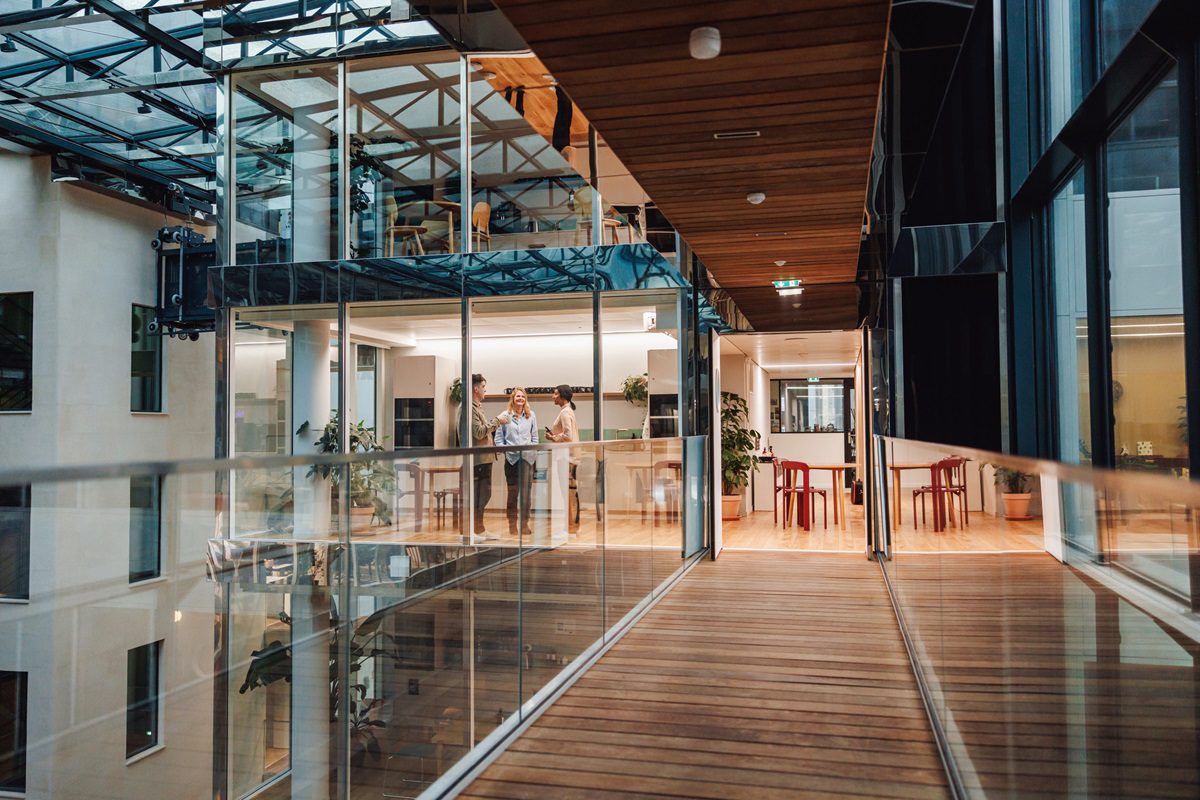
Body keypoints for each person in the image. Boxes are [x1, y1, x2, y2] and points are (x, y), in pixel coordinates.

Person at [493, 387, 538, 537]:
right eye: (518, 396)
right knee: (513, 495)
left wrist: (531, 452)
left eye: (523, 396)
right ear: (512, 399)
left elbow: (535, 438)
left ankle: (524, 524)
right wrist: (507, 450)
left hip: (527, 460)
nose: (520, 399)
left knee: (526, 495)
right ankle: (512, 525)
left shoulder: (531, 416)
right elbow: (498, 439)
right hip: (511, 460)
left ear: (525, 399)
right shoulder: (505, 416)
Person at [470, 374, 509, 540]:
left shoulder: (477, 407)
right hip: (478, 460)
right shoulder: (469, 409)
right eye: (484, 388)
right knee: (478, 497)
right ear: (476, 389)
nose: (485, 391)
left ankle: (480, 529)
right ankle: (472, 531)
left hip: (485, 459)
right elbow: (478, 433)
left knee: (484, 495)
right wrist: (497, 421)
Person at [547, 385, 580, 534]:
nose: (553, 397)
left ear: (561, 396)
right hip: (568, 457)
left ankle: (569, 526)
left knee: (565, 492)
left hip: (565, 457)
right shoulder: (567, 411)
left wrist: (553, 437)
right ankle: (569, 525)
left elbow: (568, 435)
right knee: (567, 492)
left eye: (555, 394)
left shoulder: (565, 412)